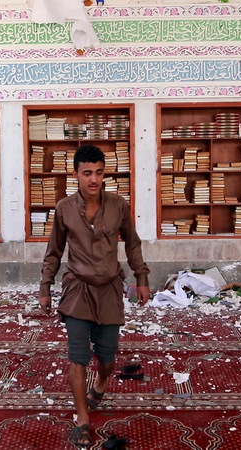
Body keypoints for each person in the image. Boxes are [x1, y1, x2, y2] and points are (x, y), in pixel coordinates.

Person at [39, 144, 150, 448]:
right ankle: (83, 420)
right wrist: (45, 286)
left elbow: (133, 244)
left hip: (110, 289)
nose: (93, 179)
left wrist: (141, 277)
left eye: (99, 173)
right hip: (77, 289)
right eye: (87, 173)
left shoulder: (118, 206)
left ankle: (100, 383)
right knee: (78, 358)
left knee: (107, 359)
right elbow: (54, 251)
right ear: (75, 174)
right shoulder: (63, 209)